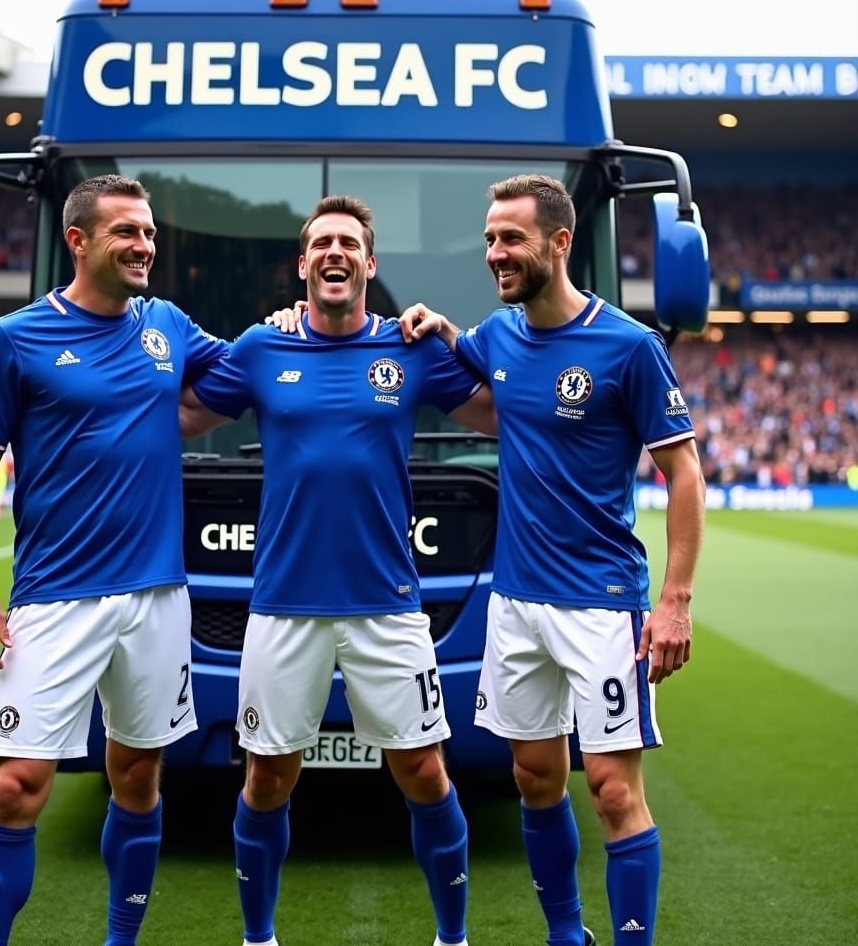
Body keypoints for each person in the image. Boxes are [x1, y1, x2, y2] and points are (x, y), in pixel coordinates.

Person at [179, 195, 497, 946]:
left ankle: (451, 938)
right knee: (266, 778)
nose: (335, 253)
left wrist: (461, 338)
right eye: (321, 242)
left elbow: (497, 411)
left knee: (424, 773)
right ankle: (260, 938)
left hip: (387, 604)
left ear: (368, 264)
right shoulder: (262, 348)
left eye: (349, 243)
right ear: (303, 264)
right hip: (283, 605)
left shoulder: (410, 349)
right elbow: (179, 414)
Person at [399, 174, 705, 946]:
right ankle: (566, 935)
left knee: (609, 790)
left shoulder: (629, 347)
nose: (495, 253)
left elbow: (685, 472)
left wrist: (674, 602)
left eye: (511, 239)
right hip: (515, 600)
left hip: (601, 601)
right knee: (534, 778)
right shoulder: (496, 338)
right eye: (490, 239)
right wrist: (437, 328)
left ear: (560, 242)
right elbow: (486, 393)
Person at [0, 174, 228, 946]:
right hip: (55, 597)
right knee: (17, 786)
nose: (144, 245)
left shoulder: (167, 325)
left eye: (148, 233)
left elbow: (238, 382)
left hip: (157, 598)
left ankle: (120, 940)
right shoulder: (15, 339)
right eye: (126, 232)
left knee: (138, 777)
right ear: (77, 240)